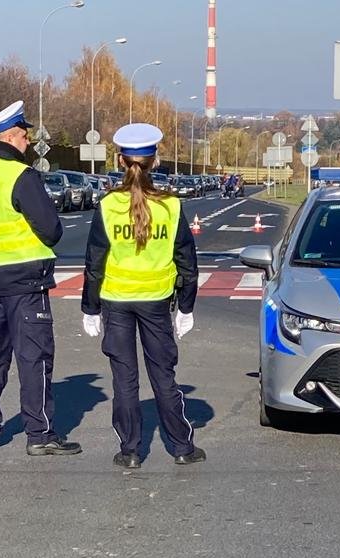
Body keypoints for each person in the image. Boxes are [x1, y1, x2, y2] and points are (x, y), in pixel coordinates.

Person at [0, 100, 81, 456]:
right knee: (34, 357)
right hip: (25, 280)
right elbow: (52, 230)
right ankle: (39, 434)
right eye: (25, 136)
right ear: (11, 136)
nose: (28, 143)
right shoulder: (20, 176)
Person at [81, 123, 205, 469]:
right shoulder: (171, 207)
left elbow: (95, 262)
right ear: (157, 160)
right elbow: (187, 262)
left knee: (125, 380)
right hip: (156, 302)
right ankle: (181, 446)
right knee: (163, 376)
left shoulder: (107, 206)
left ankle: (131, 451)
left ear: (120, 161)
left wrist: (90, 309)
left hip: (116, 302)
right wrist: (186, 307)